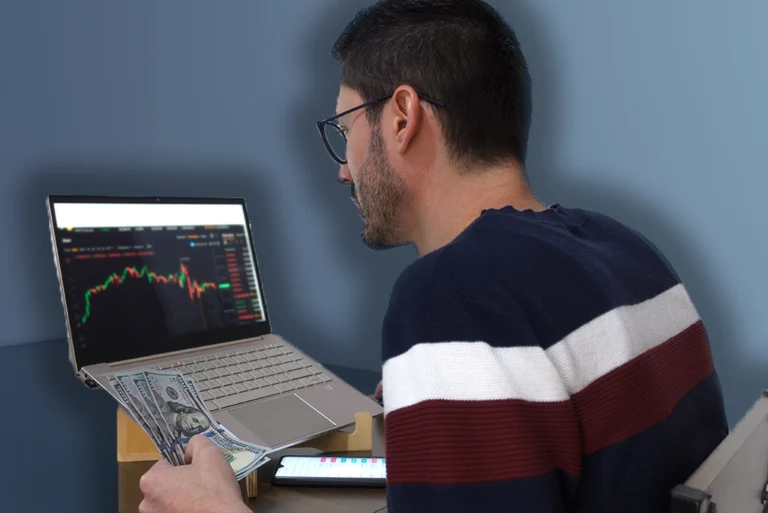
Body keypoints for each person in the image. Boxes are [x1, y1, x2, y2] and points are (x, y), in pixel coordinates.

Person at [138, 1, 730, 512]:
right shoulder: (626, 248)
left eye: (345, 128)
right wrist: (450, 400)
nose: (343, 168)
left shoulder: (451, 299)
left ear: (402, 117)